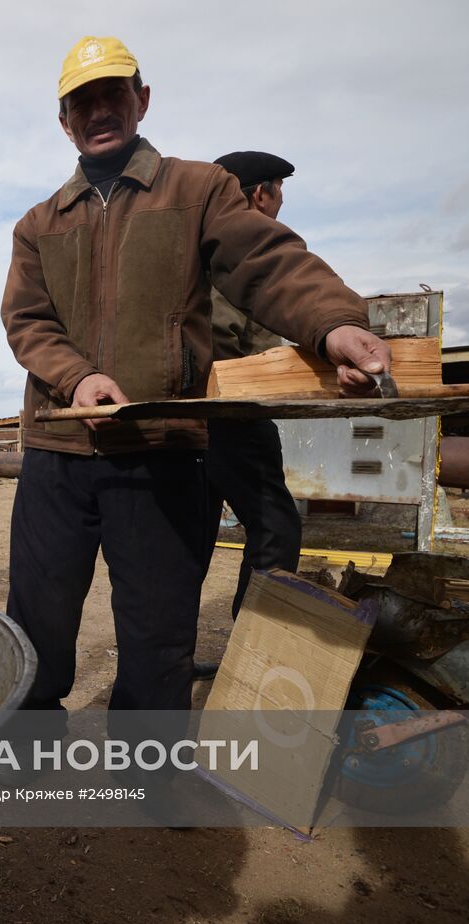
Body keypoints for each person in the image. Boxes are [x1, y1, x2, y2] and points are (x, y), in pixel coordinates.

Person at [0, 36, 392, 715]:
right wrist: (77, 378)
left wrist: (332, 324)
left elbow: (269, 264)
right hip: (58, 456)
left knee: (159, 630)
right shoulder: (39, 224)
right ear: (64, 120)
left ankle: (148, 768)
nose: (99, 111)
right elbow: (28, 321)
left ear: (141, 101)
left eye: (112, 95)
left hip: (164, 450)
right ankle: (31, 737)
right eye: (81, 102)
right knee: (41, 616)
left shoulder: (197, 191)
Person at [204, 151, 306, 634]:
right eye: (278, 189)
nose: (280, 200)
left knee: (188, 539)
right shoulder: (245, 248)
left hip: (191, 420)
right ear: (261, 193)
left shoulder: (197, 243)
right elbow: (224, 342)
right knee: (276, 531)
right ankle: (255, 649)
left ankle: (172, 663)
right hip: (233, 416)